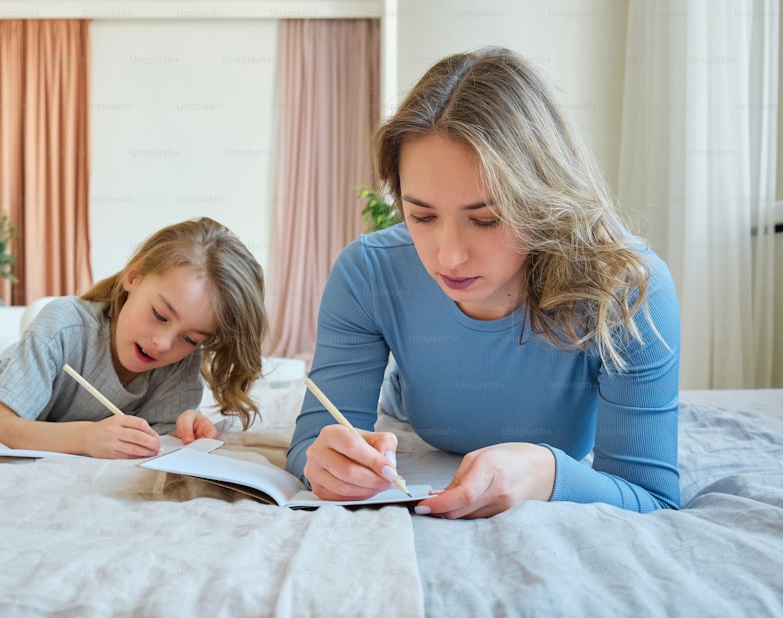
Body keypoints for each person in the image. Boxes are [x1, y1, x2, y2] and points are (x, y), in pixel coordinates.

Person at [286, 47, 681, 518]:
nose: (449, 256)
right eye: (422, 215)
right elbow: (312, 445)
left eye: (488, 219)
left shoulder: (631, 289)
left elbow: (651, 498)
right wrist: (326, 463)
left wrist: (545, 472)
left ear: (545, 200)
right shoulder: (369, 274)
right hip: (405, 404)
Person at [0, 217, 268, 458]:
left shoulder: (181, 360)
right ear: (133, 275)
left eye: (190, 338)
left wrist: (185, 429)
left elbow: (161, 434)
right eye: (160, 315)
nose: (164, 343)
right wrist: (87, 438)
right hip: (8, 369)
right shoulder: (63, 325)